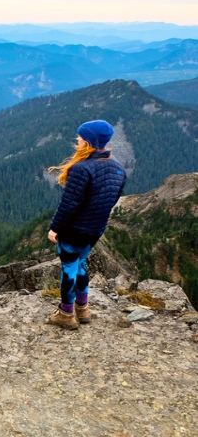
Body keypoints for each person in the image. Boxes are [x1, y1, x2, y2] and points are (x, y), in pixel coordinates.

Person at [45, 119, 127, 330]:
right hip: (95, 230)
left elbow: (69, 204)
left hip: (74, 230)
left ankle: (66, 313)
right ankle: (83, 309)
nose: (78, 139)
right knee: (81, 264)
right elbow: (112, 200)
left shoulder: (82, 169)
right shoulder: (118, 169)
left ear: (88, 142)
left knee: (69, 269)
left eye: (81, 137)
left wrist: (55, 228)